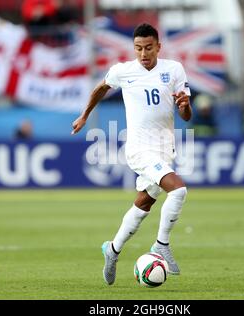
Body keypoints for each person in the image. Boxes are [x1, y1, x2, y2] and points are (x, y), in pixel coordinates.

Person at [72, 23, 192, 285]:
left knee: (144, 203)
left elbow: (185, 114)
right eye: (138, 48)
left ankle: (112, 250)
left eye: (148, 47)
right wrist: (84, 115)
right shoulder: (123, 71)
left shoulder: (173, 70)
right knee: (179, 190)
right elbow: (101, 88)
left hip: (164, 149)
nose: (143, 53)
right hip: (139, 149)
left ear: (158, 47)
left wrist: (185, 105)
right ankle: (161, 245)